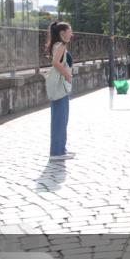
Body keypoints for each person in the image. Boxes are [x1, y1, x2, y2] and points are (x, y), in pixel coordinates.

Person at [46, 21, 74, 161]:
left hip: (61, 87)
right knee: (60, 119)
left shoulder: (58, 45)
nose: (71, 34)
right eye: (70, 31)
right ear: (62, 33)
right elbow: (56, 63)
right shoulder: (61, 46)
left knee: (61, 119)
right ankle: (57, 152)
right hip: (60, 87)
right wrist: (67, 75)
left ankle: (60, 149)